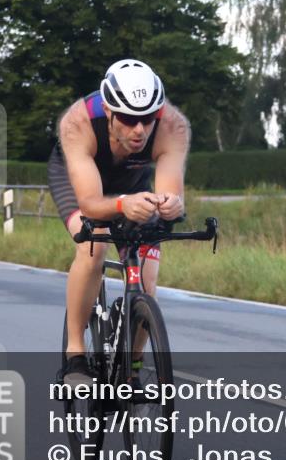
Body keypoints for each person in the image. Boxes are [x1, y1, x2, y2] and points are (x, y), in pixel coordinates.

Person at [48, 59, 189, 385]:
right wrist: (123, 205)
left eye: (147, 119)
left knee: (148, 280)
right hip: (78, 182)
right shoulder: (78, 122)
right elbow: (90, 203)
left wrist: (170, 205)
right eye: (127, 119)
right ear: (109, 110)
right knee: (93, 247)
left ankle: (132, 368)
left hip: (131, 182)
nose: (139, 129)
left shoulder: (172, 126)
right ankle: (75, 355)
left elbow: (169, 192)